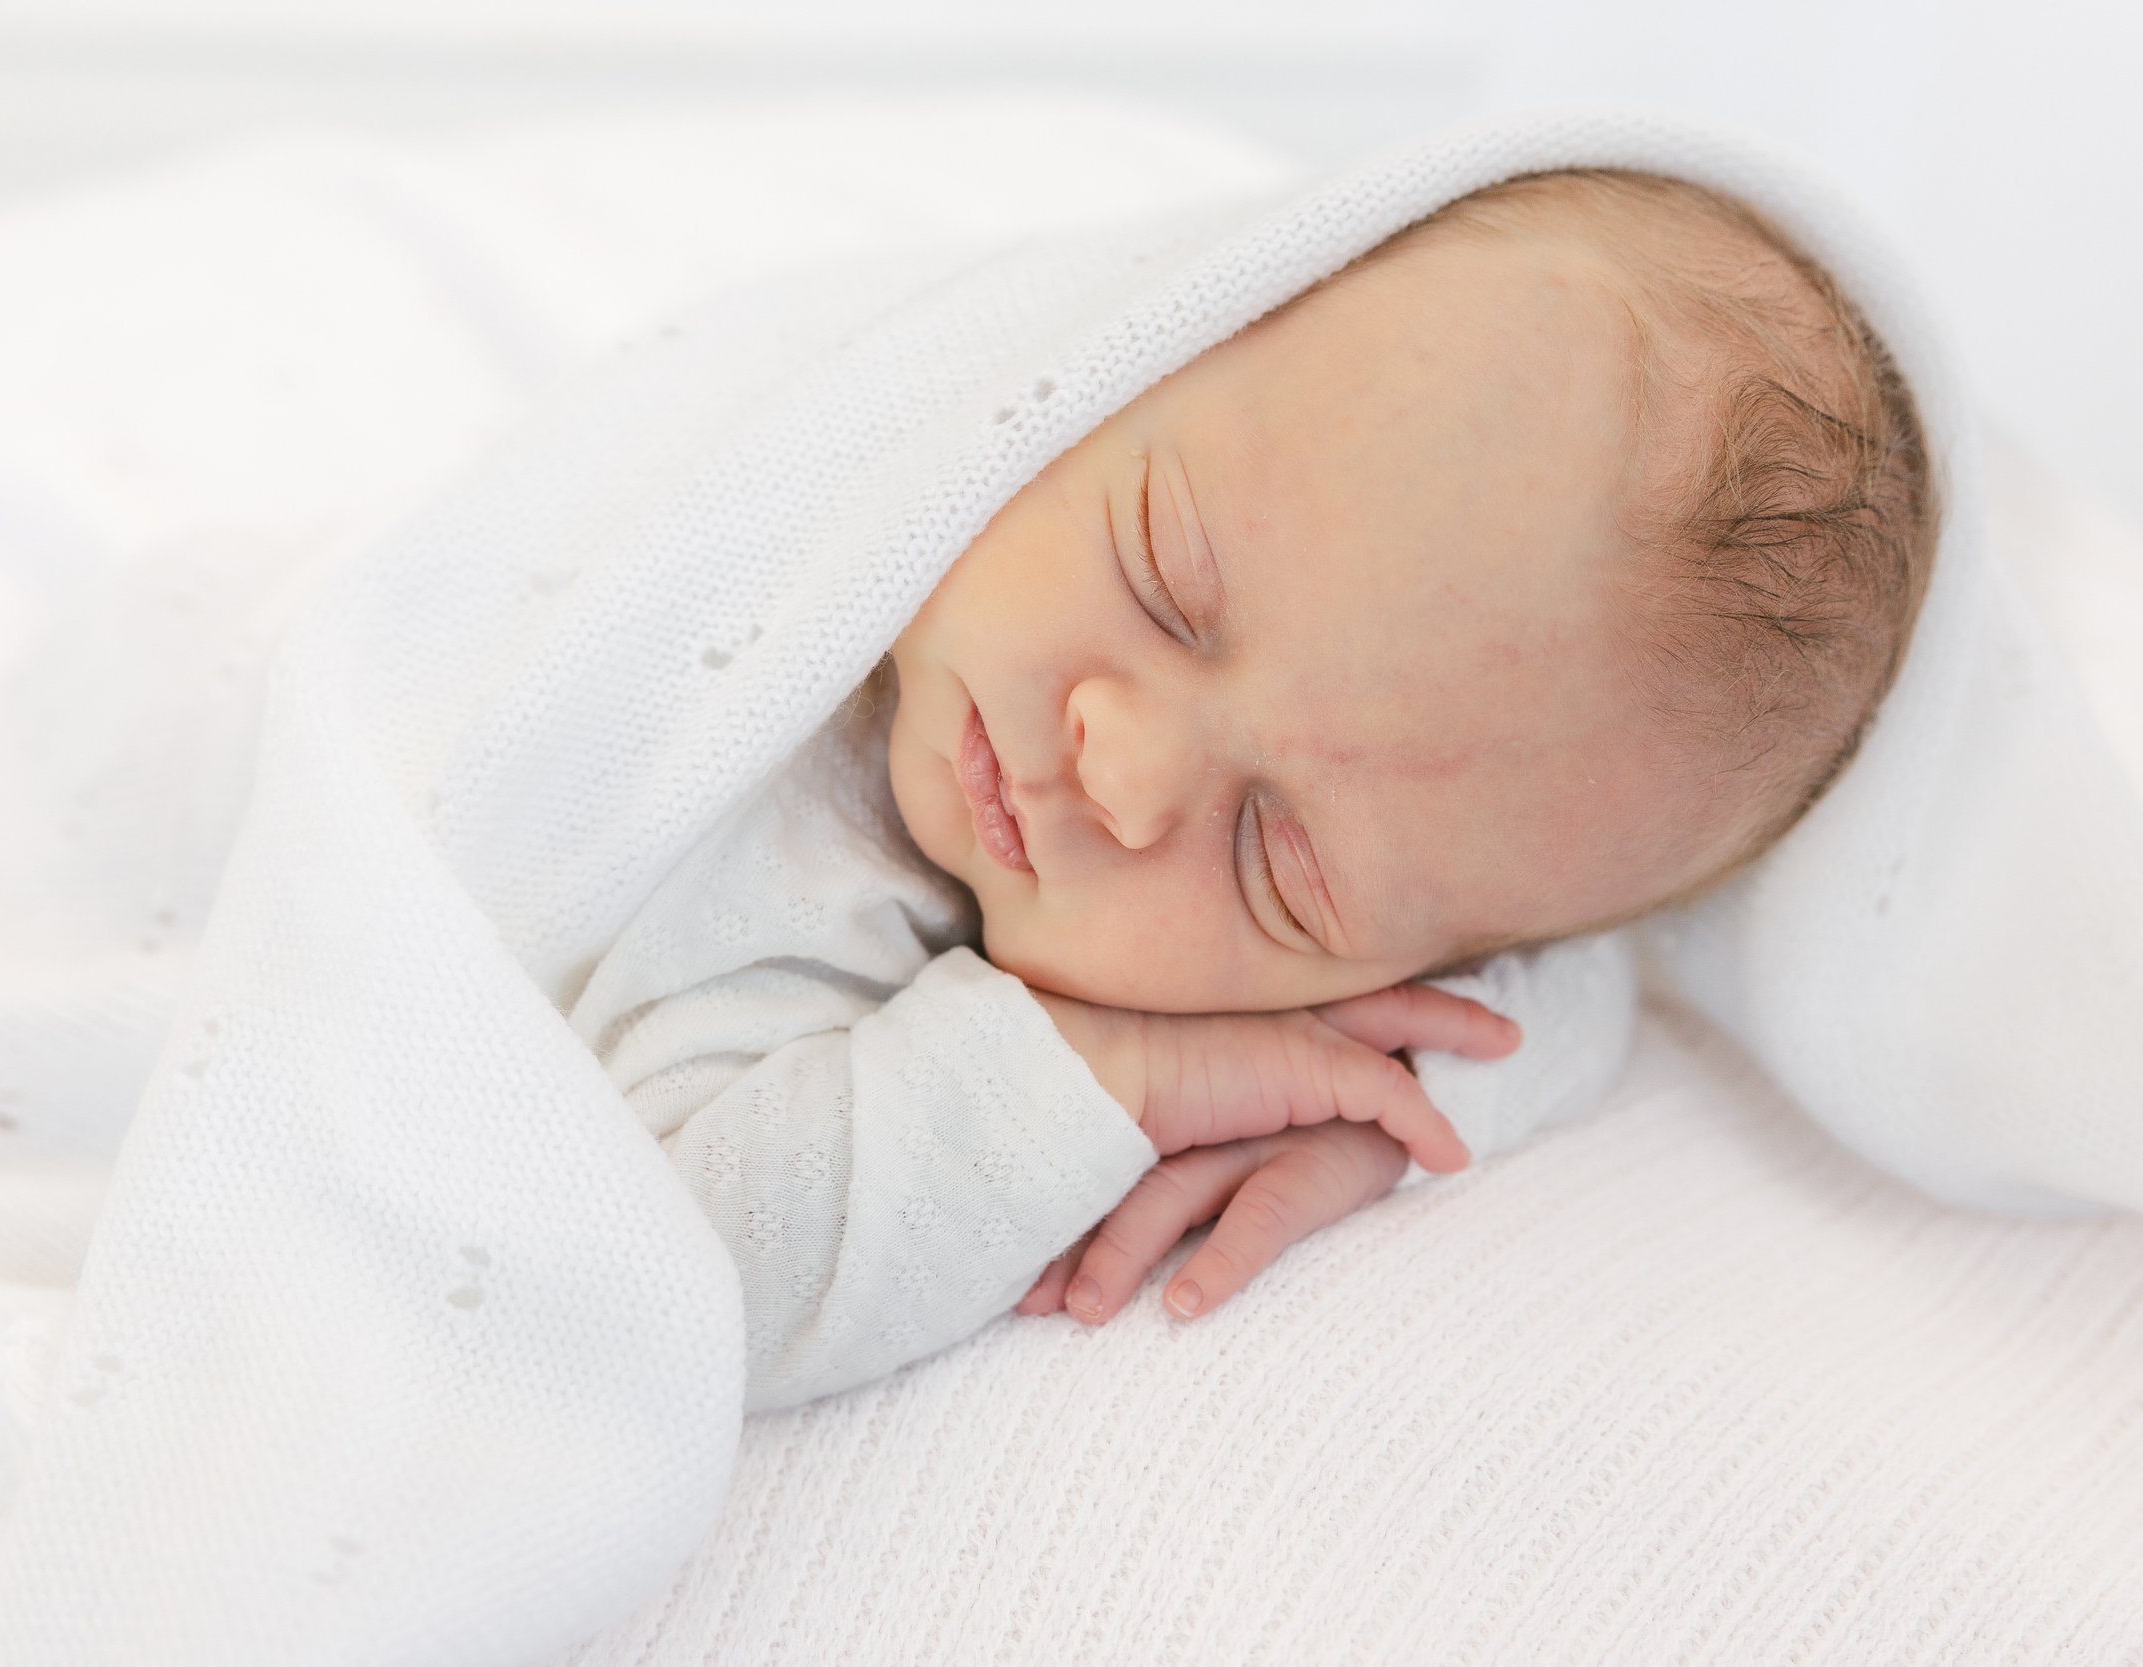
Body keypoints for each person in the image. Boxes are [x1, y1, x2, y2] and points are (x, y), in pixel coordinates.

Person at [565, 167, 1935, 1409]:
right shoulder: (792, 799)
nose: (1119, 767)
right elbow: (632, 1280)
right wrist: (1087, 1072)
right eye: (1165, 580)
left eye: (1278, 869)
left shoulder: (1467, 847)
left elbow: (1571, 995)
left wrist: (1369, 1109)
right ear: (1143, 354)